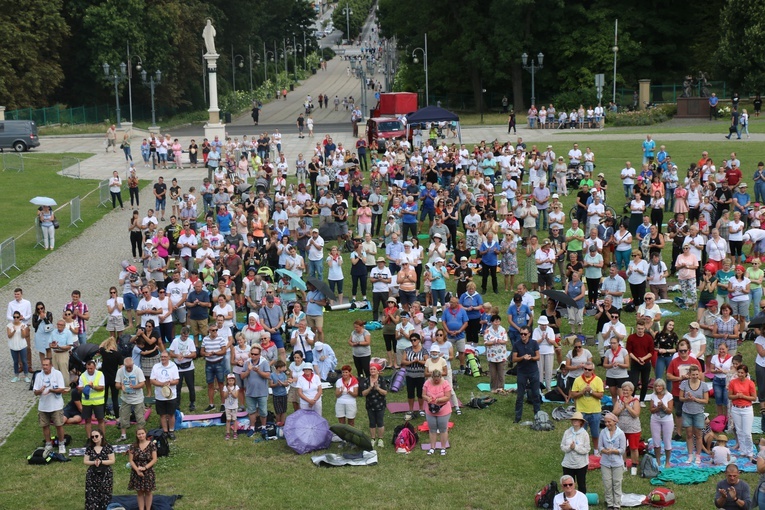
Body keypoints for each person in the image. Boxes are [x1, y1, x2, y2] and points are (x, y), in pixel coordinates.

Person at [34, 358, 69, 455]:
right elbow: (35, 392)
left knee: (59, 425)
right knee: (45, 425)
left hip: (56, 405)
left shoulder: (57, 374)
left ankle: (61, 443)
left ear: (51, 365)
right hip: (43, 406)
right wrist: (40, 391)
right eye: (43, 365)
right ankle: (48, 443)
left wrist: (51, 390)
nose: (44, 367)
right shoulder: (38, 376)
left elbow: (61, 389)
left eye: (46, 365)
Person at [570, 361, 604, 454]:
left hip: (595, 411)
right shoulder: (577, 380)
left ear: (593, 370)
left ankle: (596, 450)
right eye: (585, 369)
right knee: (581, 432)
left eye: (589, 370)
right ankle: (580, 449)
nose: (587, 371)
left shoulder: (598, 380)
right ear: (583, 369)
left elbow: (601, 395)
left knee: (595, 433)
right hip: (581, 411)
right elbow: (573, 395)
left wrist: (592, 392)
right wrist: (582, 392)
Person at [679, 364, 709, 465]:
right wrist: (687, 399)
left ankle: (698, 455)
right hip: (687, 412)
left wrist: (695, 399)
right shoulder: (684, 384)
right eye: (693, 374)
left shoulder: (704, 385)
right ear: (689, 374)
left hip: (698, 413)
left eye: (697, 374)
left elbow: (706, 400)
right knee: (688, 434)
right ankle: (690, 454)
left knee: (698, 435)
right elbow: (680, 398)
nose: (695, 376)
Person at [512, 326, 541, 423]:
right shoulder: (517, 344)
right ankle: (517, 417)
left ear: (529, 334)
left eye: (525, 334)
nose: (523, 336)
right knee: (520, 395)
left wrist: (531, 358)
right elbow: (514, 359)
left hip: (533, 371)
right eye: (521, 334)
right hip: (522, 372)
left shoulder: (534, 343)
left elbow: (538, 357)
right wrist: (522, 358)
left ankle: (538, 416)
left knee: (536, 394)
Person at [729, 364, 756, 461]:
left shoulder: (750, 383)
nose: (740, 374)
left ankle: (750, 452)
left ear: (746, 374)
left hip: (747, 409)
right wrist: (736, 396)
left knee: (747, 432)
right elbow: (730, 396)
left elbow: (754, 397)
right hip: (736, 408)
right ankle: (743, 451)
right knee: (739, 431)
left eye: (742, 373)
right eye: (738, 372)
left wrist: (743, 396)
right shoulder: (732, 382)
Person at [115, 357, 146, 442]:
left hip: (138, 398)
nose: (128, 369)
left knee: (140, 417)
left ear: (133, 365)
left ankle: (141, 434)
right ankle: (123, 435)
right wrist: (121, 386)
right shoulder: (120, 371)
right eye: (127, 367)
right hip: (125, 398)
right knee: (123, 416)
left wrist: (134, 387)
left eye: (130, 367)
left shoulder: (138, 370)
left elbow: (143, 384)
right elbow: (116, 384)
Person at [600, 412, 626, 509]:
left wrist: (614, 451)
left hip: (617, 462)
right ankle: (609, 503)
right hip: (605, 462)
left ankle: (617, 504)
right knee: (607, 483)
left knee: (617, 483)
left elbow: (623, 449)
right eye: (605, 422)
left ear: (614, 422)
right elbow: (599, 447)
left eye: (609, 422)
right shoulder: (603, 432)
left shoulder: (620, 433)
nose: (607, 424)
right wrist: (604, 451)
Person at [150, 351, 179, 439]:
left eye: (165, 357)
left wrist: (170, 382)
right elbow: (152, 380)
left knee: (171, 414)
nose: (163, 358)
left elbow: (177, 380)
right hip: (159, 395)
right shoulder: (156, 366)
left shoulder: (173, 366)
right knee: (162, 414)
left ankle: (171, 430)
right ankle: (165, 431)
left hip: (171, 395)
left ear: (169, 357)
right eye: (162, 357)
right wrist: (162, 384)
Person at [423, 369, 452, 456]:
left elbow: (448, 397)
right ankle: (432, 447)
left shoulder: (445, 384)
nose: (436, 381)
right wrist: (427, 398)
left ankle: (443, 447)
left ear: (440, 377)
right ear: (432, 377)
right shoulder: (427, 383)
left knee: (443, 429)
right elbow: (423, 395)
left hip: (443, 409)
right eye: (434, 379)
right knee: (432, 429)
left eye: (437, 379)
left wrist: (439, 400)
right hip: (430, 409)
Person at [84, 429, 115, 510]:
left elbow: (112, 460)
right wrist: (94, 462)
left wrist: (101, 462)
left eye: (96, 436)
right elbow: (85, 461)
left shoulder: (108, 447)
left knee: (105, 492)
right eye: (92, 437)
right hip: (92, 473)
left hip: (106, 473)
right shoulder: (89, 448)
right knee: (92, 493)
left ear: (101, 436)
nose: (94, 438)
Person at [560, 411, 590, 494]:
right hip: (568, 464)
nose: (575, 421)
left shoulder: (585, 434)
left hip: (581, 464)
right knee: (567, 484)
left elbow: (587, 449)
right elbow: (562, 447)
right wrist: (570, 448)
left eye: (577, 420)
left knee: (581, 484)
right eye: (573, 420)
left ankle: (582, 503)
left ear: (581, 422)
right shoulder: (567, 432)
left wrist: (575, 448)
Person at [167, 326, 197, 411]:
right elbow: (171, 353)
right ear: (181, 334)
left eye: (187, 336)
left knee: (191, 386)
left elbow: (194, 354)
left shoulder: (190, 341)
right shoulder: (175, 341)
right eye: (184, 336)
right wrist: (177, 355)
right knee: (178, 387)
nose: (185, 338)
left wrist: (185, 356)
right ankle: (177, 404)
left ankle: (192, 403)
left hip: (189, 367)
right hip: (178, 368)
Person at [128, 428, 158, 510]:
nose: (141, 435)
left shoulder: (151, 445)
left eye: (142, 433)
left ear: (145, 434)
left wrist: (145, 468)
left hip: (148, 471)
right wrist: (137, 470)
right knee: (140, 492)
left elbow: (154, 459)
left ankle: (148, 508)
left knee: (148, 491)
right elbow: (131, 460)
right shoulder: (133, 446)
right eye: (139, 434)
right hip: (136, 470)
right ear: (136, 435)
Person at [201, 324, 227, 412]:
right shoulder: (205, 339)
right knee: (210, 384)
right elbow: (201, 351)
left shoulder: (221, 339)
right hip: (209, 363)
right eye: (213, 330)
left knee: (221, 384)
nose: (215, 332)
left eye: (216, 330)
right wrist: (206, 354)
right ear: (209, 331)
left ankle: (223, 404)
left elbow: (224, 351)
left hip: (219, 362)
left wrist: (215, 353)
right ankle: (211, 404)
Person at [626, 322, 654, 404]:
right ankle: (632, 399)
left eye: (642, 329)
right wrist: (637, 359)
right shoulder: (631, 338)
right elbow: (629, 351)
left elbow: (651, 352)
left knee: (645, 382)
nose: (640, 330)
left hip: (646, 363)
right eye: (639, 328)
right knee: (634, 383)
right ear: (636, 328)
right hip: (635, 363)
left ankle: (642, 400)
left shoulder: (648, 338)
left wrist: (643, 359)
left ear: (644, 328)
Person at [78, 359, 106, 440]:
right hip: (87, 402)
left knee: (100, 420)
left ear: (95, 367)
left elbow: (102, 387)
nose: (89, 370)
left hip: (98, 401)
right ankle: (89, 438)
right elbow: (79, 388)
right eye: (88, 368)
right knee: (87, 420)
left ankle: (102, 438)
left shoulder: (100, 374)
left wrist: (92, 386)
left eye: (91, 368)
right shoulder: (83, 375)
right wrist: (83, 388)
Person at [649, 378, 674, 468]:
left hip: (667, 420)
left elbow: (670, 411)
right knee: (656, 440)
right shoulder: (653, 395)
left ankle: (667, 461)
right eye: (656, 386)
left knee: (667, 440)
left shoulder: (668, 395)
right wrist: (657, 408)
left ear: (663, 387)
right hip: (655, 420)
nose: (657, 388)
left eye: (659, 386)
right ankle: (658, 460)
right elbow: (651, 410)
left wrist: (663, 406)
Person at [402, 332, 428, 416]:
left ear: (419, 340)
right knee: (410, 393)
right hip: (410, 375)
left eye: (415, 340)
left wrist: (418, 361)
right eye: (411, 340)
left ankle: (421, 409)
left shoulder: (424, 350)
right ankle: (411, 409)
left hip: (420, 375)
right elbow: (403, 361)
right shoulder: (407, 350)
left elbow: (427, 362)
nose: (413, 342)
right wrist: (411, 362)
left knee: (420, 393)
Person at [484, 315, 508, 392]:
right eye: (495, 321)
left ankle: (501, 387)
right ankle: (493, 388)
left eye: (498, 321)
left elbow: (505, 341)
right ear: (492, 322)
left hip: (501, 355)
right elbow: (486, 342)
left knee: (501, 373)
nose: (497, 323)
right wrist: (493, 342)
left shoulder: (503, 330)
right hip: (491, 355)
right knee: (493, 374)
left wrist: (499, 341)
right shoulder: (487, 331)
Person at [7, 310, 30, 383]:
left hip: (22, 345)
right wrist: (14, 330)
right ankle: (16, 376)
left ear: (20, 317)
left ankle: (26, 376)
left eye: (17, 317)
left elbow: (24, 336)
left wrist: (22, 330)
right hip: (13, 346)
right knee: (15, 361)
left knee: (24, 361)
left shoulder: (23, 325)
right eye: (14, 317)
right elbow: (9, 336)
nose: (16, 318)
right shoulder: (9, 325)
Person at [222, 373, 239, 440]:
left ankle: (235, 432)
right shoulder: (225, 387)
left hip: (234, 406)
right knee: (228, 419)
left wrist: (231, 392)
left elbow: (235, 396)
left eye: (232, 380)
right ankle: (228, 433)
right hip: (228, 406)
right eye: (229, 381)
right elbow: (225, 397)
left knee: (234, 419)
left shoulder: (236, 387)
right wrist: (227, 391)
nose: (231, 382)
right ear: (227, 381)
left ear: (234, 381)